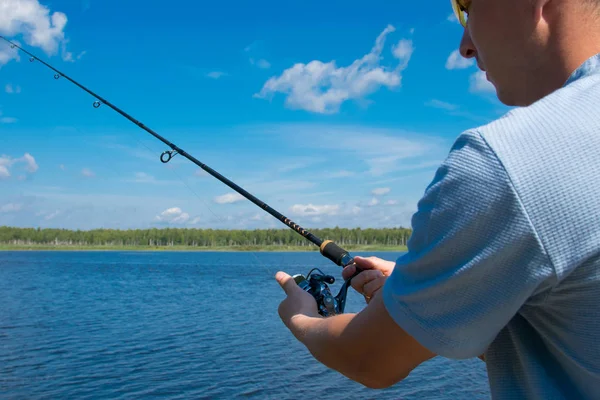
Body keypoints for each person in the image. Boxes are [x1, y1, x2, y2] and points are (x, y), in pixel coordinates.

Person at [275, 0, 600, 398]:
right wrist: (433, 290)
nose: (465, 45)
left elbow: (368, 359)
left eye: (467, 8)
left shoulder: (508, 161)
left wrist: (302, 318)